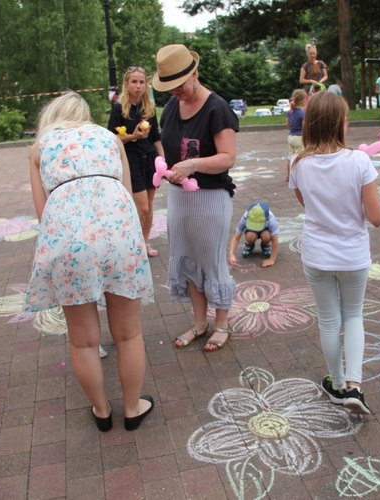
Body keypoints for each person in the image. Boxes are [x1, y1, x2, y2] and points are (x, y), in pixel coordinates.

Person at [24, 92, 155, 432]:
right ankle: (132, 408)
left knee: (83, 340)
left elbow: (43, 214)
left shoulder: (39, 149)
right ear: (84, 116)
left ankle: (101, 410)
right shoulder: (112, 138)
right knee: (128, 334)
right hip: (118, 235)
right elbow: (127, 193)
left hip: (67, 242)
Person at [289, 91, 380, 414]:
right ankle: (355, 387)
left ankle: (337, 383)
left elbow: (307, 204)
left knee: (329, 320)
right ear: (340, 123)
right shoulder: (359, 161)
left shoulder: (298, 163)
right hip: (352, 254)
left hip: (316, 254)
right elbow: (377, 217)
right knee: (353, 314)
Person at [152, 44, 239, 352]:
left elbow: (228, 157)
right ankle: (200, 324)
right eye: (169, 87)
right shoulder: (172, 106)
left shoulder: (217, 108)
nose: (175, 91)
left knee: (212, 261)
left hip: (210, 197)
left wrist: (193, 164)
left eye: (179, 85)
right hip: (179, 197)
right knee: (188, 260)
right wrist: (166, 168)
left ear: (194, 73)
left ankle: (222, 324)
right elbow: (167, 144)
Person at [107, 66, 164, 258]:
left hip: (150, 160)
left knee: (149, 205)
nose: (138, 86)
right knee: (142, 207)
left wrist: (162, 160)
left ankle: (143, 243)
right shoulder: (119, 108)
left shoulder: (148, 108)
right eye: (134, 82)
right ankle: (132, 244)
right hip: (130, 161)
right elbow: (111, 138)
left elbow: (155, 136)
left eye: (142, 82)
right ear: (126, 84)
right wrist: (133, 136)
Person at [228, 201, 280, 268]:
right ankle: (249, 244)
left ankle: (265, 245)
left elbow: (275, 240)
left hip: (265, 231)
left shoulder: (270, 219)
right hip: (251, 232)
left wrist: (272, 259)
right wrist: (231, 255)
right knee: (250, 236)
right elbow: (236, 237)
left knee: (266, 236)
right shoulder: (246, 217)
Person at [286, 88, 307, 182]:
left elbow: (287, 124)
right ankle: (299, 176)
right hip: (299, 137)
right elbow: (304, 126)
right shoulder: (302, 113)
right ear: (303, 101)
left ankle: (289, 175)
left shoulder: (290, 112)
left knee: (291, 156)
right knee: (300, 157)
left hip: (291, 136)